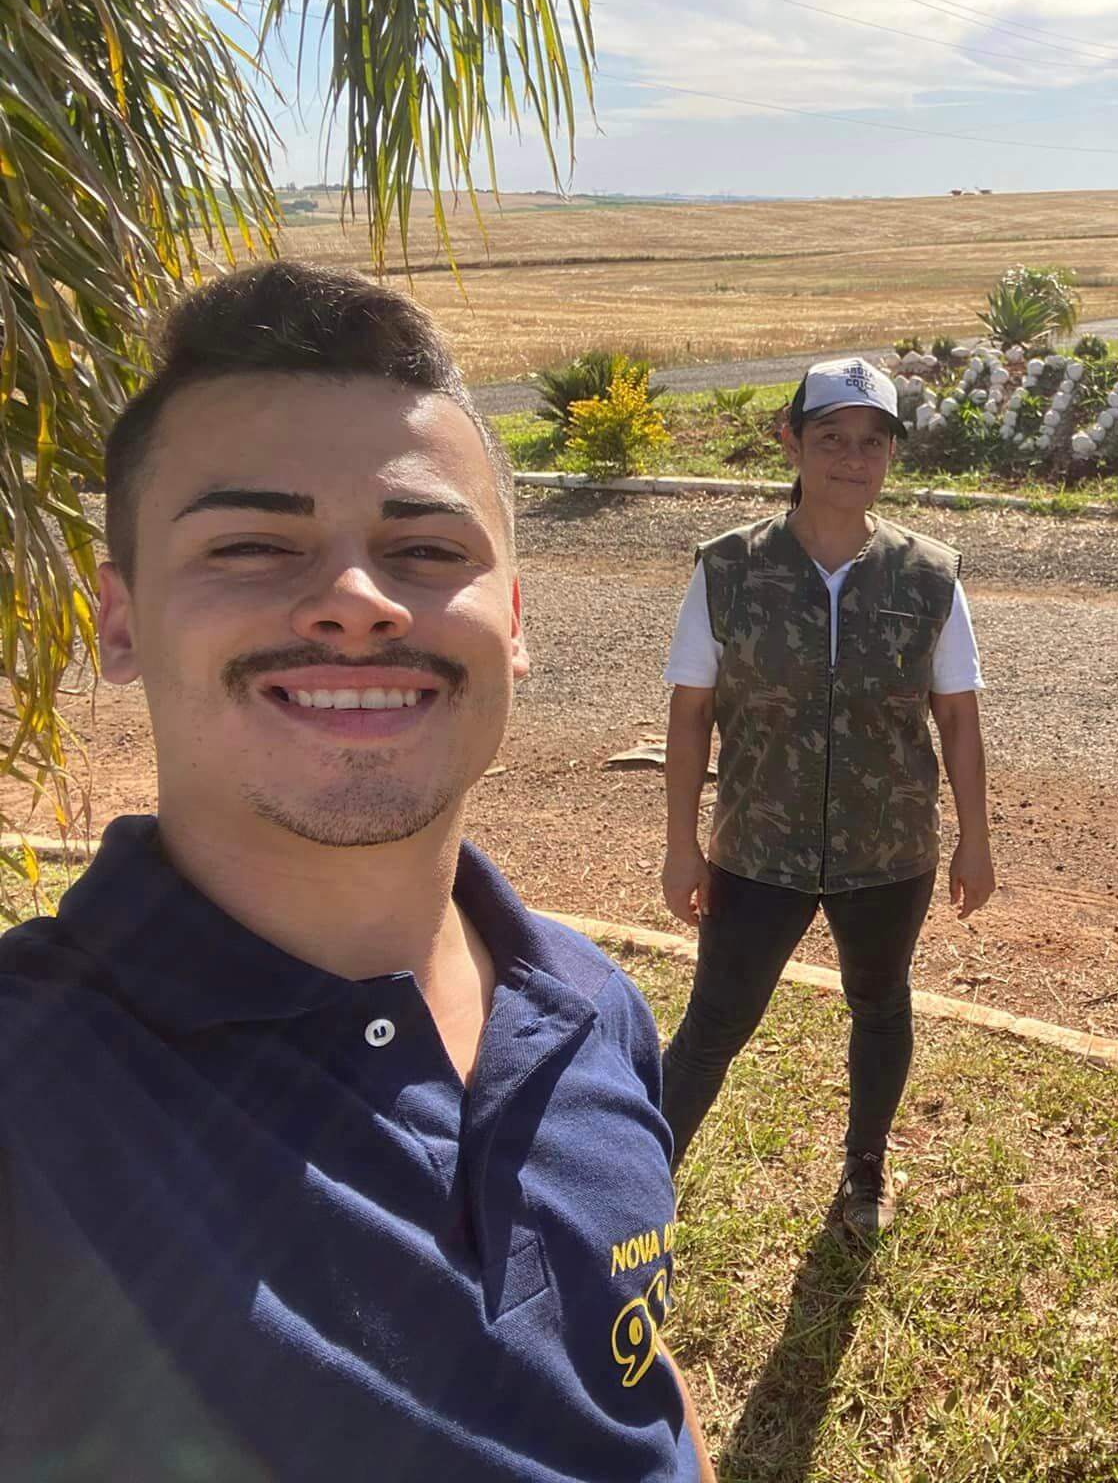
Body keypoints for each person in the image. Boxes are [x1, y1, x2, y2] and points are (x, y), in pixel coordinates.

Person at [0, 263, 713, 1480]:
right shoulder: (35, 1094)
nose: (355, 602)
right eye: (251, 545)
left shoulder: (593, 1009)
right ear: (120, 622)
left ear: (514, 621)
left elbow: (628, 1373)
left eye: (425, 547)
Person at [658, 356, 995, 1235]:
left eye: (872, 442)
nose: (852, 458)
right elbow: (690, 715)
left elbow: (957, 718)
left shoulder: (929, 574)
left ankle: (865, 1171)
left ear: (891, 454)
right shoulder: (729, 568)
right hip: (755, 846)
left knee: (880, 1006)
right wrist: (681, 845)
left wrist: (976, 838)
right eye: (832, 438)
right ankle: (635, 1177)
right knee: (714, 1024)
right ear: (792, 442)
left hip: (889, 848)